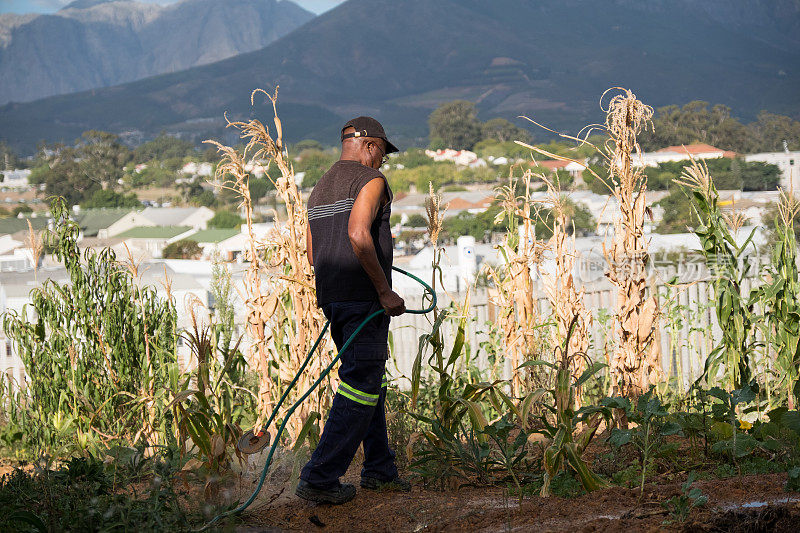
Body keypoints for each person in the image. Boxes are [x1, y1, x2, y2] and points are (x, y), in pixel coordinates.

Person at [296, 117, 410, 504]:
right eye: (382, 154)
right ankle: (320, 477)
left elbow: (313, 255)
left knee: (365, 381)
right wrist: (384, 290)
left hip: (332, 297)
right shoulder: (370, 181)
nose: (382, 163)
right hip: (364, 299)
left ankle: (379, 469)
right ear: (371, 145)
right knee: (361, 386)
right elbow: (360, 235)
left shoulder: (319, 188)